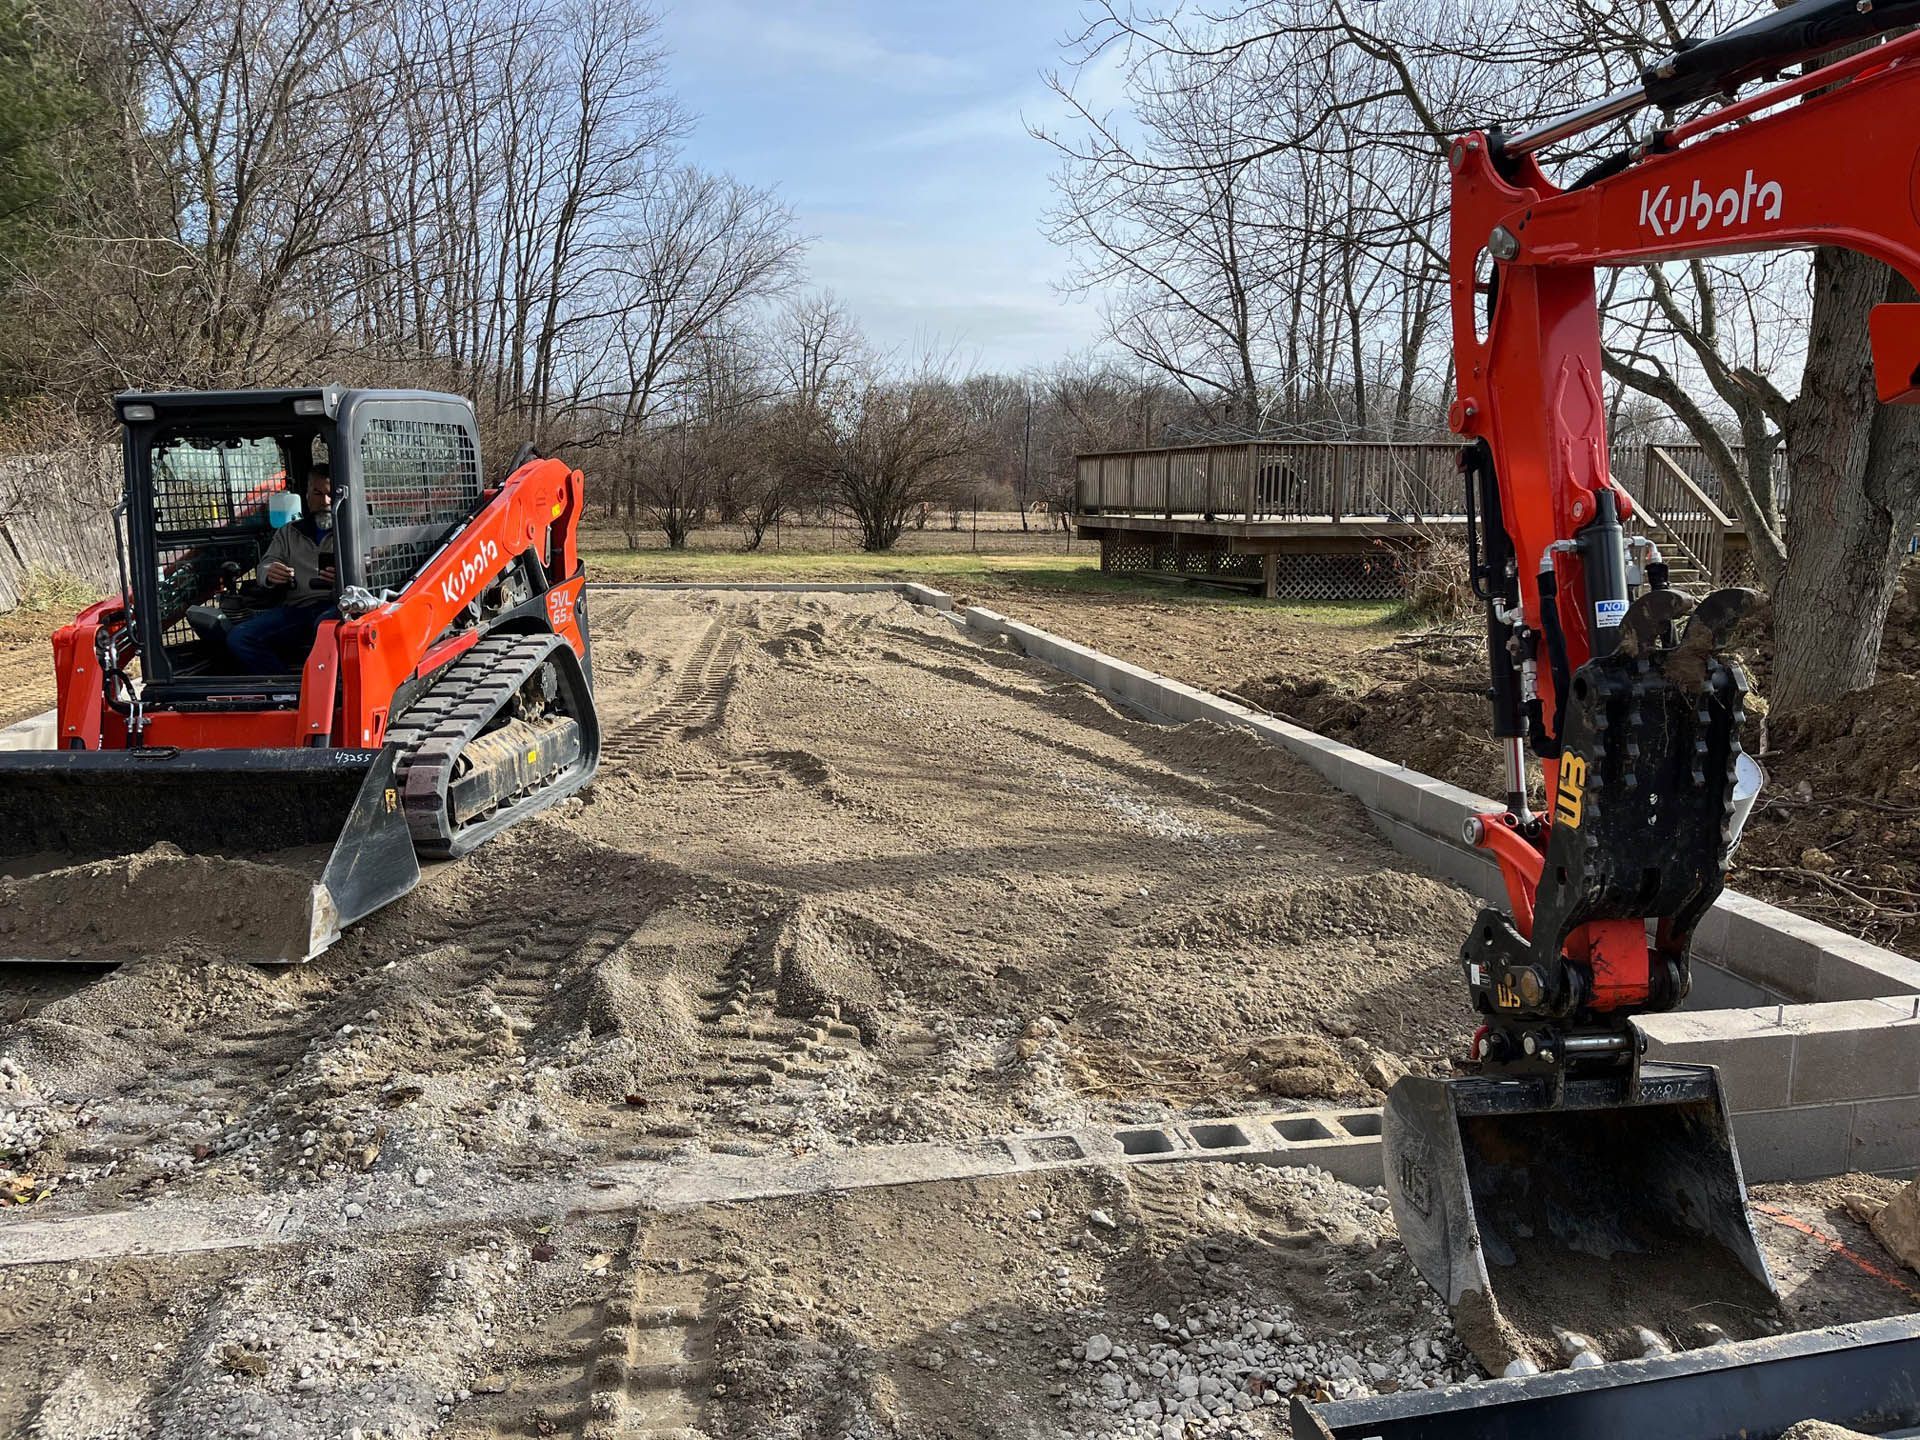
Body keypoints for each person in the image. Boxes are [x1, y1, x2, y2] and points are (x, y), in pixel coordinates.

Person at [227, 464, 339, 673]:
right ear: (306, 495)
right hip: (298, 609)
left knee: (325, 627)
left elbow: (377, 573)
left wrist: (346, 578)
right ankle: (286, 688)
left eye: (331, 494)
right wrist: (270, 573)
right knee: (240, 637)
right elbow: (265, 565)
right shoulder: (288, 533)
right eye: (317, 493)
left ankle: (324, 688)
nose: (325, 501)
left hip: (340, 607)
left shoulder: (355, 530)